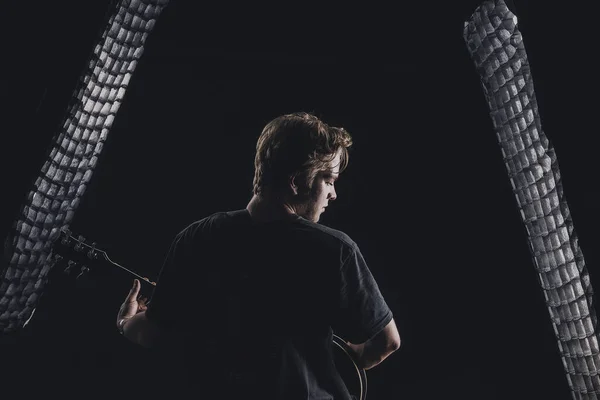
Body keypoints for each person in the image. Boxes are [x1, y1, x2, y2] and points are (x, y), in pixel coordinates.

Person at [115, 111, 400, 399]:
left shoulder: (197, 237)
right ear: (296, 180)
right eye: (329, 179)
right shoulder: (336, 250)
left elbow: (152, 333)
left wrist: (127, 322)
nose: (333, 193)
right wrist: (347, 360)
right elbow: (387, 341)